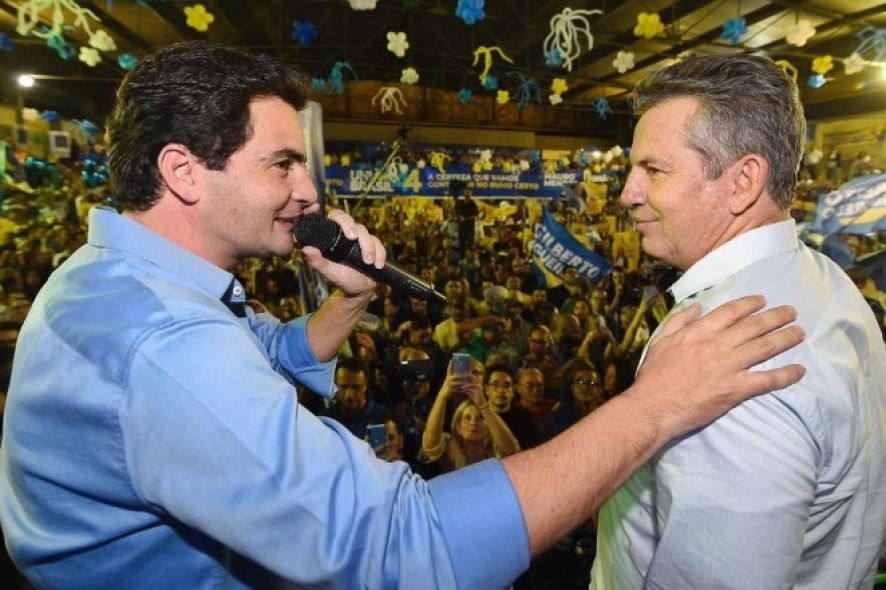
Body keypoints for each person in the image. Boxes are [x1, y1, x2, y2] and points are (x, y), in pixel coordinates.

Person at [0, 42, 806, 590]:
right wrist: (654, 406)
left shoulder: (125, 282)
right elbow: (402, 546)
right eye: (281, 164)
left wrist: (350, 297)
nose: (308, 191)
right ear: (183, 171)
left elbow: (263, 356)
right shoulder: (163, 346)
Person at [591, 54, 886, 589]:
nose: (628, 193)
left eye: (654, 170)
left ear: (743, 181)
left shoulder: (734, 356)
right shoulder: (823, 281)